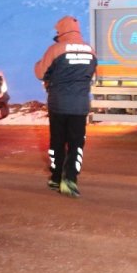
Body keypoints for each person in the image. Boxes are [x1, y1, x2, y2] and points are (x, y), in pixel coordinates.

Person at [34, 16, 97, 198]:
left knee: (57, 142)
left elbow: (40, 72)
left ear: (61, 30)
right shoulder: (90, 50)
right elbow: (93, 74)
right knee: (77, 144)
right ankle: (70, 179)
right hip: (80, 106)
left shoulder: (55, 49)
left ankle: (55, 178)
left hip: (58, 105)